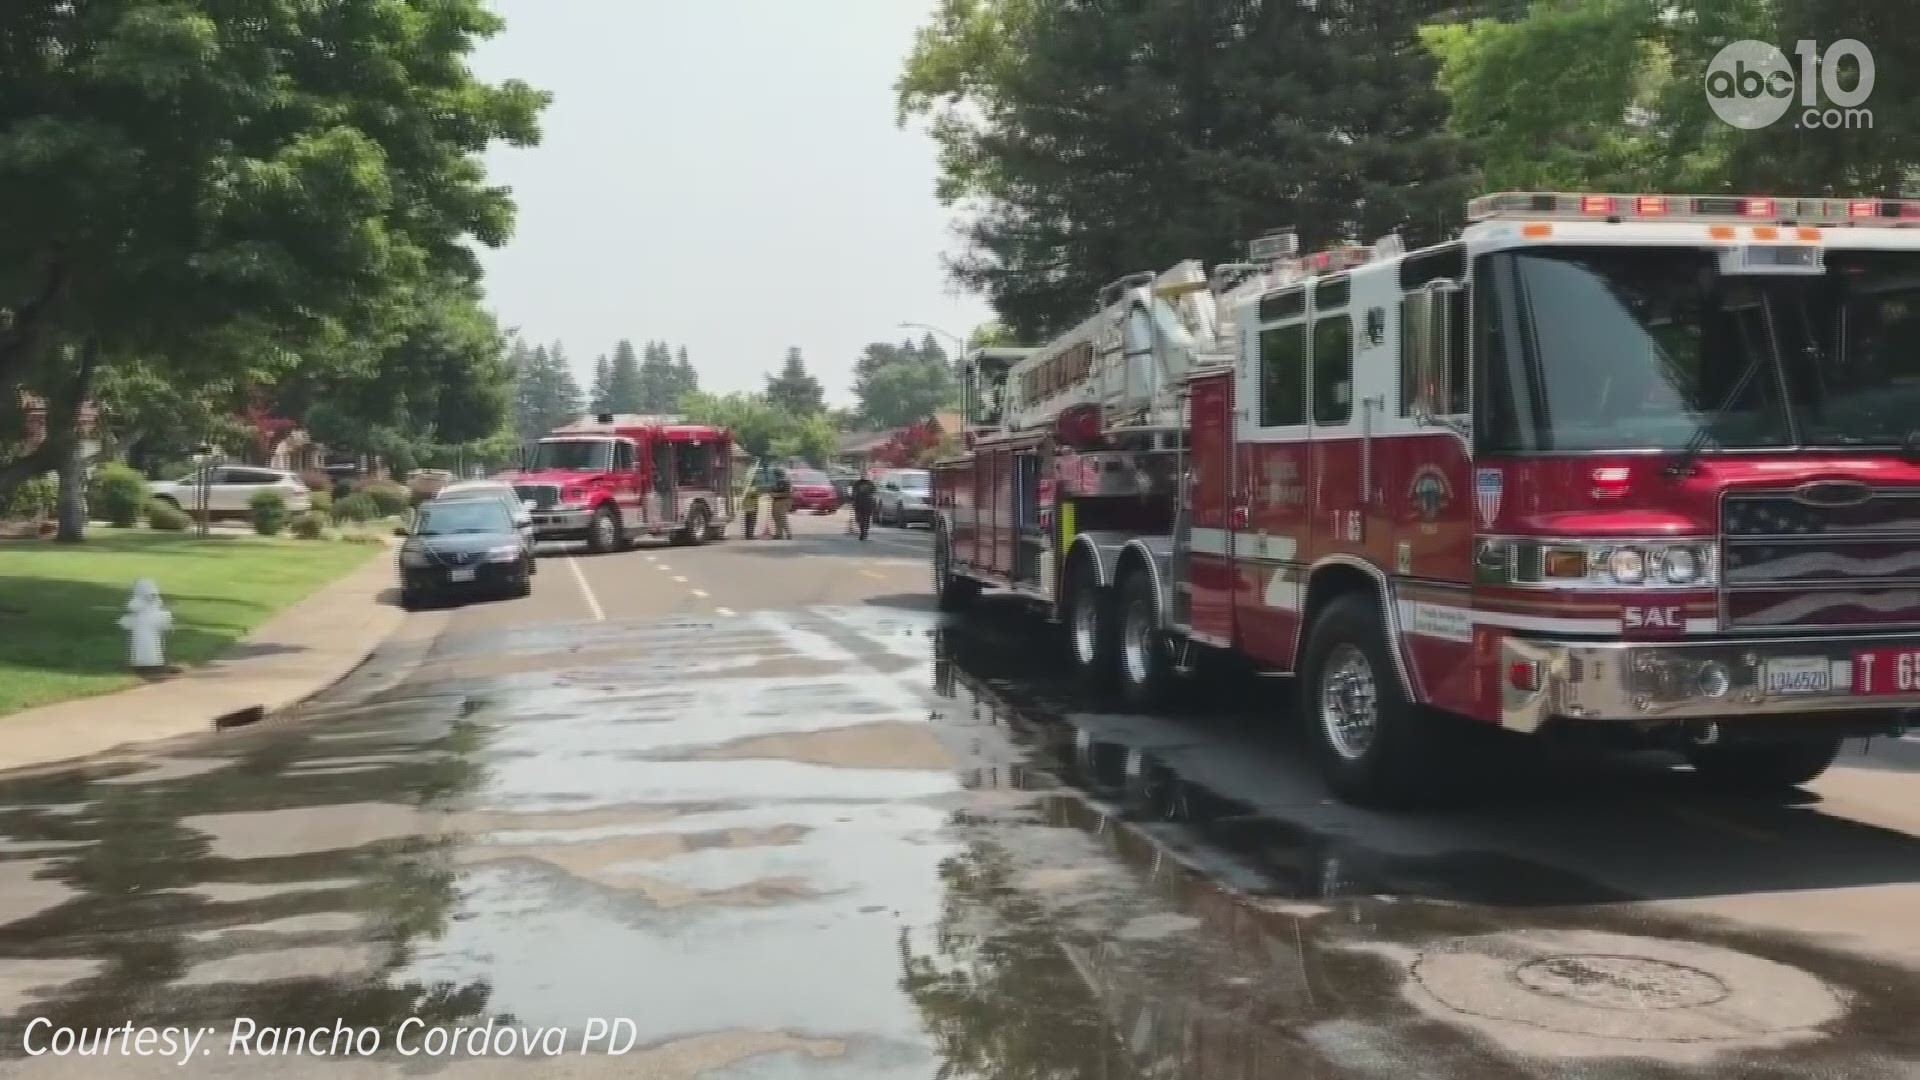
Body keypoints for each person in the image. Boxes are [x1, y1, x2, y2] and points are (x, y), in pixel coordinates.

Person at [768, 467, 794, 539]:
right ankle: (779, 534)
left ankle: (788, 533)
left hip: (783, 501)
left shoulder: (785, 482)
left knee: (782, 517)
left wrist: (775, 494)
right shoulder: (778, 481)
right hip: (777, 500)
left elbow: (787, 493)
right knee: (776, 517)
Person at [850, 473, 877, 541]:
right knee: (860, 519)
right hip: (859, 503)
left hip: (867, 504)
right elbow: (853, 493)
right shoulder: (857, 483)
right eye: (863, 475)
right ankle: (862, 531)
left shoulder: (870, 484)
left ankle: (865, 532)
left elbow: (874, 494)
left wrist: (874, 503)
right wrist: (853, 501)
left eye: (865, 476)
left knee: (866, 519)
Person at [740, 472, 761, 540]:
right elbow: (754, 495)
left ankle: (747, 535)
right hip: (752, 506)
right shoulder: (752, 488)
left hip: (747, 506)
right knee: (752, 521)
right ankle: (750, 535)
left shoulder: (745, 487)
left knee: (747, 521)